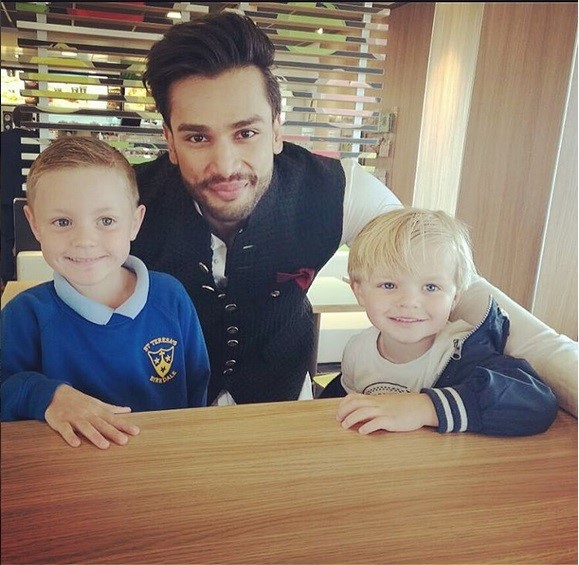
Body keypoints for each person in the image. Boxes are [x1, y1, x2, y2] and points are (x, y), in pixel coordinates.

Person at [131, 11, 577, 414]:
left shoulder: (341, 190)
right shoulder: (122, 200)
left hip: (286, 411)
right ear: (169, 140)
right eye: (197, 138)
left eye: (246, 132)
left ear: (277, 130)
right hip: (157, 416)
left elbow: (459, 287)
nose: (226, 165)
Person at [0, 137, 211, 449]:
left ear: (134, 222)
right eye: (62, 221)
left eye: (106, 220)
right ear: (34, 225)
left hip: (165, 462)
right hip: (69, 468)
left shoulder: (171, 297)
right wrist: (48, 395)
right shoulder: (23, 315)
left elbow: (197, 387)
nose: (85, 240)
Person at [323, 209, 558, 436]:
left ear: (454, 298)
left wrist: (426, 407)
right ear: (359, 291)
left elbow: (537, 401)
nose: (409, 302)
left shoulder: (464, 350)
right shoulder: (357, 350)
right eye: (389, 285)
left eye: (431, 287)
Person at [1, 104, 37, 287]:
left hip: (4, 195)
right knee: (30, 238)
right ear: (32, 119)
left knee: (5, 238)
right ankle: (28, 276)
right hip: (29, 197)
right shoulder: (37, 140)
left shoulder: (3, 139)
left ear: (13, 119)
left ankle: (7, 277)